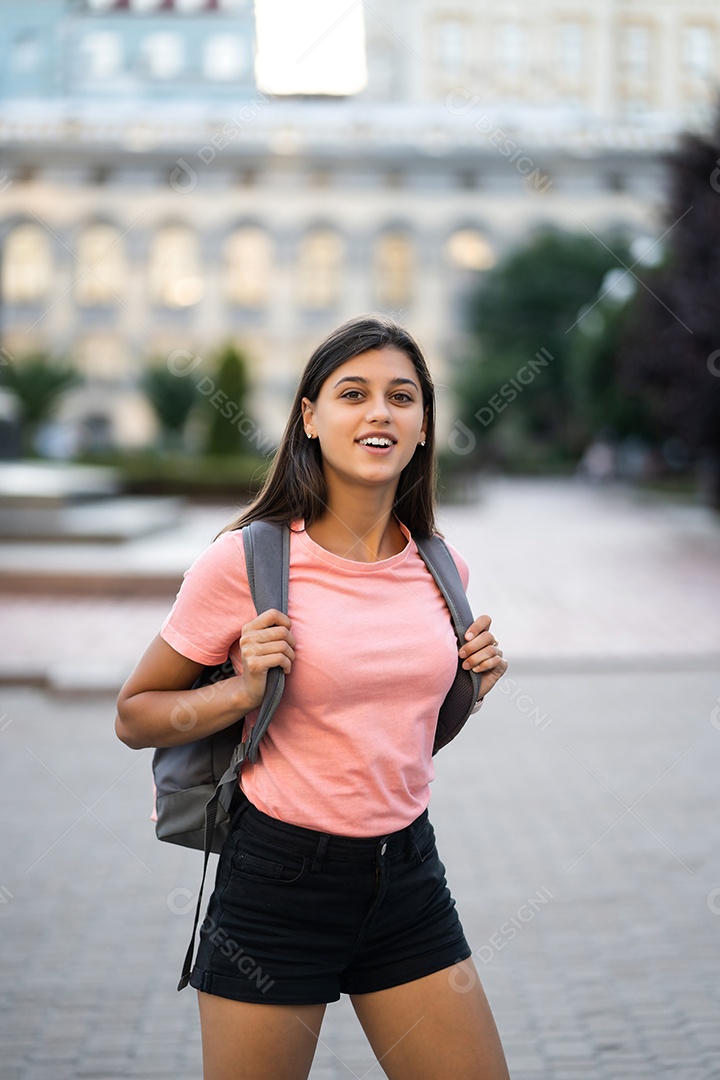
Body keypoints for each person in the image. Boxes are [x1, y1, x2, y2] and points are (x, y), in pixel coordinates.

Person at [116, 315, 511, 1080]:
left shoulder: (442, 565)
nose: (378, 414)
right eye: (352, 394)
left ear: (424, 424)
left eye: (402, 397)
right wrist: (239, 691)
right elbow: (135, 716)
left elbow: (391, 738)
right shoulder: (246, 560)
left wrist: (467, 689)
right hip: (276, 885)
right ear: (309, 416)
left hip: (407, 877)